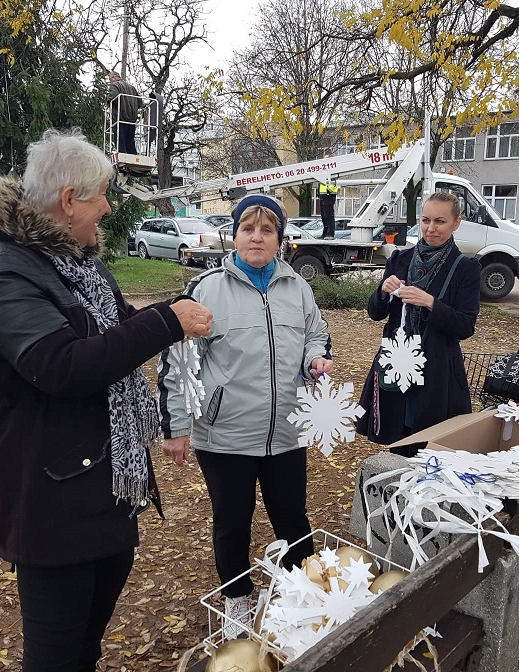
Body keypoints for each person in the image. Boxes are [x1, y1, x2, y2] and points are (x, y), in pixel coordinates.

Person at [0, 128, 213, 672]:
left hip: (105, 482)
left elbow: (115, 328)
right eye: (102, 195)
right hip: (49, 495)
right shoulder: (1, 267)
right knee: (55, 654)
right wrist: (166, 322)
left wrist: (172, 312)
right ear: (70, 200)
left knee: (86, 643)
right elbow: (61, 365)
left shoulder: (77, 260)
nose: (108, 207)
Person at [157, 194, 333, 637]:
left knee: (292, 518)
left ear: (280, 239)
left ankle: (303, 594)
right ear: (233, 235)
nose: (257, 237)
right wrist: (176, 426)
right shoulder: (206, 289)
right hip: (225, 435)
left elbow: (316, 334)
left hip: (286, 431)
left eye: (267, 230)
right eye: (248, 229)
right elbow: (180, 360)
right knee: (232, 521)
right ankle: (237, 599)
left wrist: (315, 357)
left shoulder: (298, 288)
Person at [355, 192, 480, 458]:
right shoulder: (399, 260)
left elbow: (465, 325)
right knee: (397, 441)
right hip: (398, 362)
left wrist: (431, 303)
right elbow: (375, 313)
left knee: (428, 445)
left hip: (436, 373)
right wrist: (382, 291)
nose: (430, 228)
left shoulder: (465, 267)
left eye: (440, 221)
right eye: (425, 220)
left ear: (456, 223)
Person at [107, 72, 143, 155]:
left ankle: (122, 156)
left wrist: (108, 100)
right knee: (130, 142)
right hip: (132, 120)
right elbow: (139, 102)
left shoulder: (115, 86)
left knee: (120, 142)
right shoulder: (132, 88)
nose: (110, 81)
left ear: (113, 78)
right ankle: (133, 156)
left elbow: (113, 98)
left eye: (110, 79)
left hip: (120, 118)